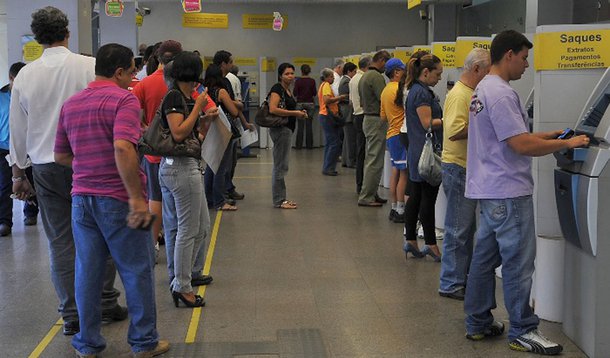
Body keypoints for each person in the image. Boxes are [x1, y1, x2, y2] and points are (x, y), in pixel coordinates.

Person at [464, 30, 588, 355]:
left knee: (483, 260)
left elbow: (508, 135)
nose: (526, 64)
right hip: (508, 192)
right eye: (523, 57)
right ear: (508, 55)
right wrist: (567, 143)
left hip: (489, 191)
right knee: (519, 263)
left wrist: (550, 134)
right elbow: (520, 145)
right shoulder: (502, 93)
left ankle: (477, 323)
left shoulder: (483, 90)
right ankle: (523, 330)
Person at [9, 6, 126, 336]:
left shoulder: (26, 76)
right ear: (67, 32)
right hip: (91, 163)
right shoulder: (90, 66)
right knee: (102, 234)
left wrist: (18, 175)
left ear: (36, 37)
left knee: (61, 241)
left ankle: (72, 313)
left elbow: (18, 132)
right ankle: (104, 302)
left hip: (46, 167)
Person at [54, 43, 169, 358]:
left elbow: (61, 155)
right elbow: (122, 147)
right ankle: (144, 342)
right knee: (136, 270)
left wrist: (89, 167)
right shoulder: (123, 100)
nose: (134, 76)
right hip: (117, 199)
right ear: (119, 72)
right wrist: (136, 199)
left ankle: (88, 344)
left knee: (87, 272)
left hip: (82, 200)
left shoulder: (72, 103)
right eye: (132, 71)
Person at [159, 51, 218, 308]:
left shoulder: (183, 98)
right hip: (179, 170)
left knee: (202, 226)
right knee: (187, 229)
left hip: (187, 166)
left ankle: (185, 276)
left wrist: (203, 121)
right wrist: (197, 108)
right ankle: (182, 286)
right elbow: (179, 133)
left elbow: (189, 132)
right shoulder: (175, 97)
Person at [438, 48, 490, 301]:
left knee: (465, 229)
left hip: (464, 168)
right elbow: (455, 131)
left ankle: (460, 278)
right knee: (458, 229)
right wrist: (486, 123)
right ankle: (451, 282)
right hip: (458, 167)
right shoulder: (461, 95)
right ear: (476, 69)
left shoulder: (469, 93)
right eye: (488, 70)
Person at [133, 39, 183, 263]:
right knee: (178, 204)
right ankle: (177, 249)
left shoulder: (143, 84)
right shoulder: (182, 84)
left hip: (153, 153)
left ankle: (152, 247)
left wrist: (148, 131)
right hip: (179, 153)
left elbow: (136, 119)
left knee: (155, 200)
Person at [402, 51, 444, 261]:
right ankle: (431, 244)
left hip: (417, 150)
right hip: (426, 154)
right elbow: (427, 123)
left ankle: (410, 239)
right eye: (437, 74)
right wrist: (451, 120)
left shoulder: (415, 90)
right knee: (428, 198)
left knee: (417, 197)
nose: (439, 78)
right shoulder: (422, 93)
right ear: (426, 72)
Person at [0, 62, 38, 237]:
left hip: (27, 146)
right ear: (11, 79)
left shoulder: (30, 95)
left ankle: (30, 213)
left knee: (30, 180)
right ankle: (5, 221)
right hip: (4, 147)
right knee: (5, 185)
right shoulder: (1, 96)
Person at [268, 63, 307, 209]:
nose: (290, 76)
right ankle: (279, 200)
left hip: (287, 130)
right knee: (280, 166)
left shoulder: (288, 90)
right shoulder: (277, 89)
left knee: (282, 165)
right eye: (287, 74)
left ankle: (281, 198)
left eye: (292, 73)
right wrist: (294, 113)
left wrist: (299, 113)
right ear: (280, 76)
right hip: (281, 130)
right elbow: (273, 109)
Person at [203, 64, 242, 211]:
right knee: (221, 167)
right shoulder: (221, 91)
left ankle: (209, 198)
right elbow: (234, 111)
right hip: (224, 130)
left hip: (210, 130)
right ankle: (220, 200)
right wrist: (236, 103)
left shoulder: (204, 91)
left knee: (210, 166)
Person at [357, 50, 391, 207]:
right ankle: (367, 196)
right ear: (382, 60)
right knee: (375, 160)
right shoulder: (376, 77)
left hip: (368, 118)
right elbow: (383, 98)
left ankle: (371, 192)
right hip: (376, 120)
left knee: (371, 158)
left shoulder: (364, 76)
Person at [380, 58, 407, 224]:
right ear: (396, 72)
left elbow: (383, 116)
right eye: (403, 70)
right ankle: (401, 209)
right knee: (404, 173)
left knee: (395, 171)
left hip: (391, 134)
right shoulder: (400, 89)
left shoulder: (385, 91)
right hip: (400, 135)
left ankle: (394, 207)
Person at [318, 68, 347, 176]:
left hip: (324, 115)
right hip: (327, 116)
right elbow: (326, 100)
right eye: (331, 76)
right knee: (334, 142)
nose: (333, 78)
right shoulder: (326, 86)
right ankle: (329, 168)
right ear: (325, 77)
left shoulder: (324, 85)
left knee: (330, 142)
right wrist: (340, 97)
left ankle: (327, 166)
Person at [350, 56, 371, 194]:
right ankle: (364, 186)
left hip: (356, 115)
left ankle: (360, 184)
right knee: (367, 153)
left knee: (360, 152)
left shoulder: (353, 79)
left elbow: (352, 100)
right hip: (364, 115)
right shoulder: (364, 79)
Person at [293, 64, 317, 149]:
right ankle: (309, 145)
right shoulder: (312, 81)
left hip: (300, 103)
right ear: (309, 71)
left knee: (300, 126)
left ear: (301, 71)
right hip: (310, 103)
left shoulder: (298, 81)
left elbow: (295, 93)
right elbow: (314, 93)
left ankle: (298, 145)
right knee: (309, 125)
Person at [339, 62, 357, 168]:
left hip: (345, 113)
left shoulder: (344, 80)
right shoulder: (347, 82)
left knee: (347, 139)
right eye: (354, 71)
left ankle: (346, 160)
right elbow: (346, 98)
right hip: (348, 113)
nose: (355, 74)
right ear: (349, 71)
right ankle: (351, 161)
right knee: (351, 139)